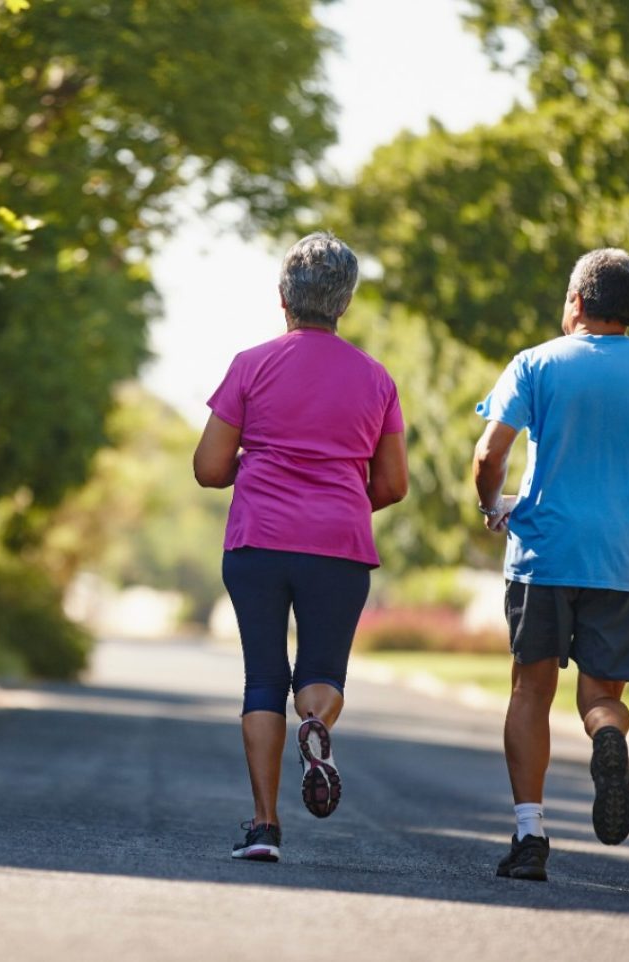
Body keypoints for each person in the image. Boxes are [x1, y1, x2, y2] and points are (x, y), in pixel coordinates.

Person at [472, 248, 629, 882]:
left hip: (544, 554)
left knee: (531, 689)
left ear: (576, 303)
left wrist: (491, 505)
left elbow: (487, 455)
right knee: (601, 696)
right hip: (625, 565)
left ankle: (530, 836)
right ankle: (609, 737)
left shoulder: (535, 364)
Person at [194, 231, 408, 863]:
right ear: (344, 303)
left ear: (283, 296)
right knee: (319, 674)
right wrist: (337, 496)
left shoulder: (251, 364)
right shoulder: (376, 379)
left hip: (258, 540)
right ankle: (315, 723)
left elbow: (208, 467)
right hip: (339, 545)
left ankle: (264, 827)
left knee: (262, 677)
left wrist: (256, 467)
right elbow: (393, 483)